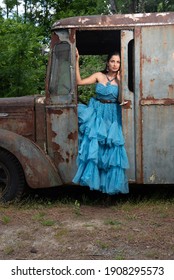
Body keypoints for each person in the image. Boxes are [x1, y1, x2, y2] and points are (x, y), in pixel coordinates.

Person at [72, 49, 129, 195]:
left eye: (118, 62)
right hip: (97, 112)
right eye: (112, 61)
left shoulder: (121, 79)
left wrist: (121, 80)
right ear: (107, 63)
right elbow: (78, 82)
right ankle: (94, 187)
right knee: (94, 148)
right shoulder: (99, 75)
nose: (115, 64)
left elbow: (125, 98)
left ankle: (108, 189)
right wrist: (77, 59)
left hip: (112, 114)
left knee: (111, 150)